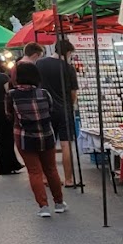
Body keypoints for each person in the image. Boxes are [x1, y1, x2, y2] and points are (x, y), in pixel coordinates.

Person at [7, 61, 66, 216]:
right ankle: (59, 203)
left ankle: (43, 206)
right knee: (51, 169)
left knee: (34, 172)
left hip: (25, 137)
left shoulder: (12, 95)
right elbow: (51, 111)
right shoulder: (44, 93)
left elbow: (9, 114)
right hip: (46, 135)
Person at [35, 40, 80, 187]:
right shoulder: (68, 68)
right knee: (66, 144)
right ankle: (68, 179)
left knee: (48, 145)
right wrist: (71, 105)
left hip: (45, 109)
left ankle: (46, 178)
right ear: (67, 52)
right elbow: (73, 92)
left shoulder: (40, 64)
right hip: (64, 109)